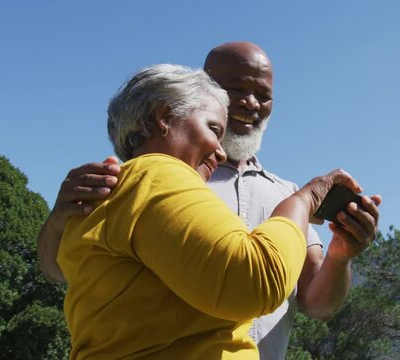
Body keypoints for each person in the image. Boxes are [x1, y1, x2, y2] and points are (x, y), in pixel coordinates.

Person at [37, 42, 381, 360]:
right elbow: (254, 283)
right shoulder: (152, 176)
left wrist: (339, 256)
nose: (250, 102)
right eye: (236, 90)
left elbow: (317, 305)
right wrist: (307, 200)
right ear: (167, 114)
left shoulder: (281, 190)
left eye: (263, 94)